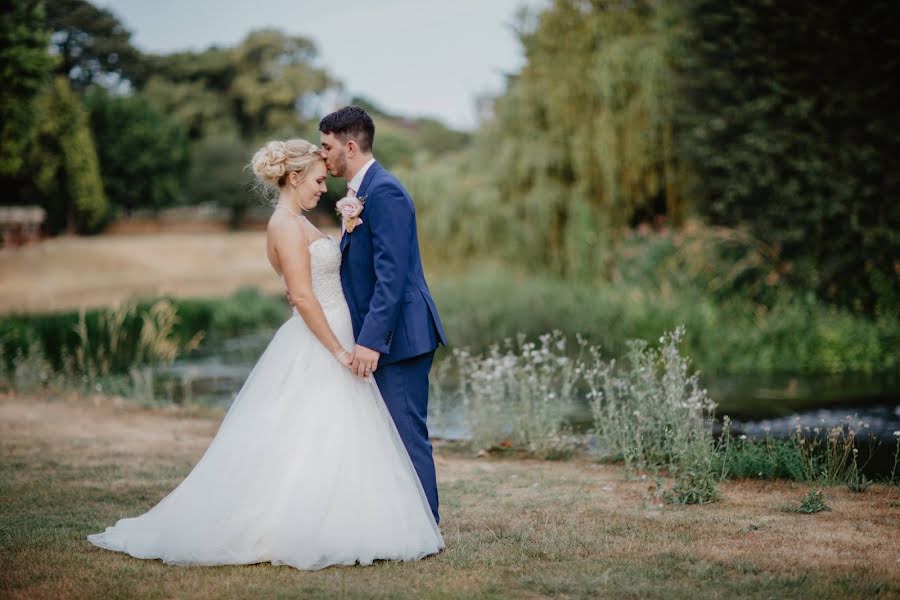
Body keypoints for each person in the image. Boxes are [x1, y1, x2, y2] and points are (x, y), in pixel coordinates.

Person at [86, 139, 444, 571]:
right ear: (293, 178)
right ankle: (302, 524)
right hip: (323, 341)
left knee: (337, 436)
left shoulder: (299, 221)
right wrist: (337, 351)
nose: (322, 189)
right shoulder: (283, 226)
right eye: (315, 180)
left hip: (341, 333)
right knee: (308, 436)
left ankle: (360, 518)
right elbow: (301, 296)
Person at [319, 106, 448, 525]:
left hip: (402, 338)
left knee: (406, 436)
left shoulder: (386, 191)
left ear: (350, 146)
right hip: (383, 334)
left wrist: (371, 340)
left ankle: (425, 526)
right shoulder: (362, 192)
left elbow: (391, 276)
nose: (323, 156)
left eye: (327, 147)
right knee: (385, 437)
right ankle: (397, 523)